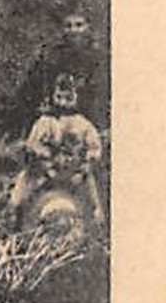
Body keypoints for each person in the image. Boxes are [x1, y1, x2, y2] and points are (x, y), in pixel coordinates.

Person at [10, 73, 105, 229]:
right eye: (59, 97)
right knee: (22, 193)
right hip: (46, 170)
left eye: (68, 98)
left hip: (74, 171)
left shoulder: (83, 125)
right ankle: (18, 222)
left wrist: (83, 166)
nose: (63, 103)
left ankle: (95, 221)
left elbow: (94, 149)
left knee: (92, 193)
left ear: (76, 98)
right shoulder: (45, 122)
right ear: (53, 96)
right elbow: (33, 145)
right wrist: (45, 163)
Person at [17, 1, 107, 130]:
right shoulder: (52, 55)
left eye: (79, 25)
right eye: (68, 26)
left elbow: (98, 93)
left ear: (88, 27)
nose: (74, 31)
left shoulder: (97, 58)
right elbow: (36, 85)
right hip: (56, 117)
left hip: (86, 118)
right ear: (62, 29)